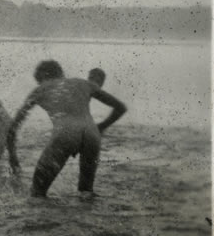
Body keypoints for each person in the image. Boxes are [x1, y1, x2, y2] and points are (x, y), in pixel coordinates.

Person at [8, 60, 127, 199]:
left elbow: (13, 127)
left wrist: (13, 157)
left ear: (41, 77)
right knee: (86, 191)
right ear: (60, 72)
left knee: (37, 193)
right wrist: (102, 127)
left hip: (65, 134)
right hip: (92, 134)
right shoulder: (83, 83)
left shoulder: (40, 89)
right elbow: (121, 107)